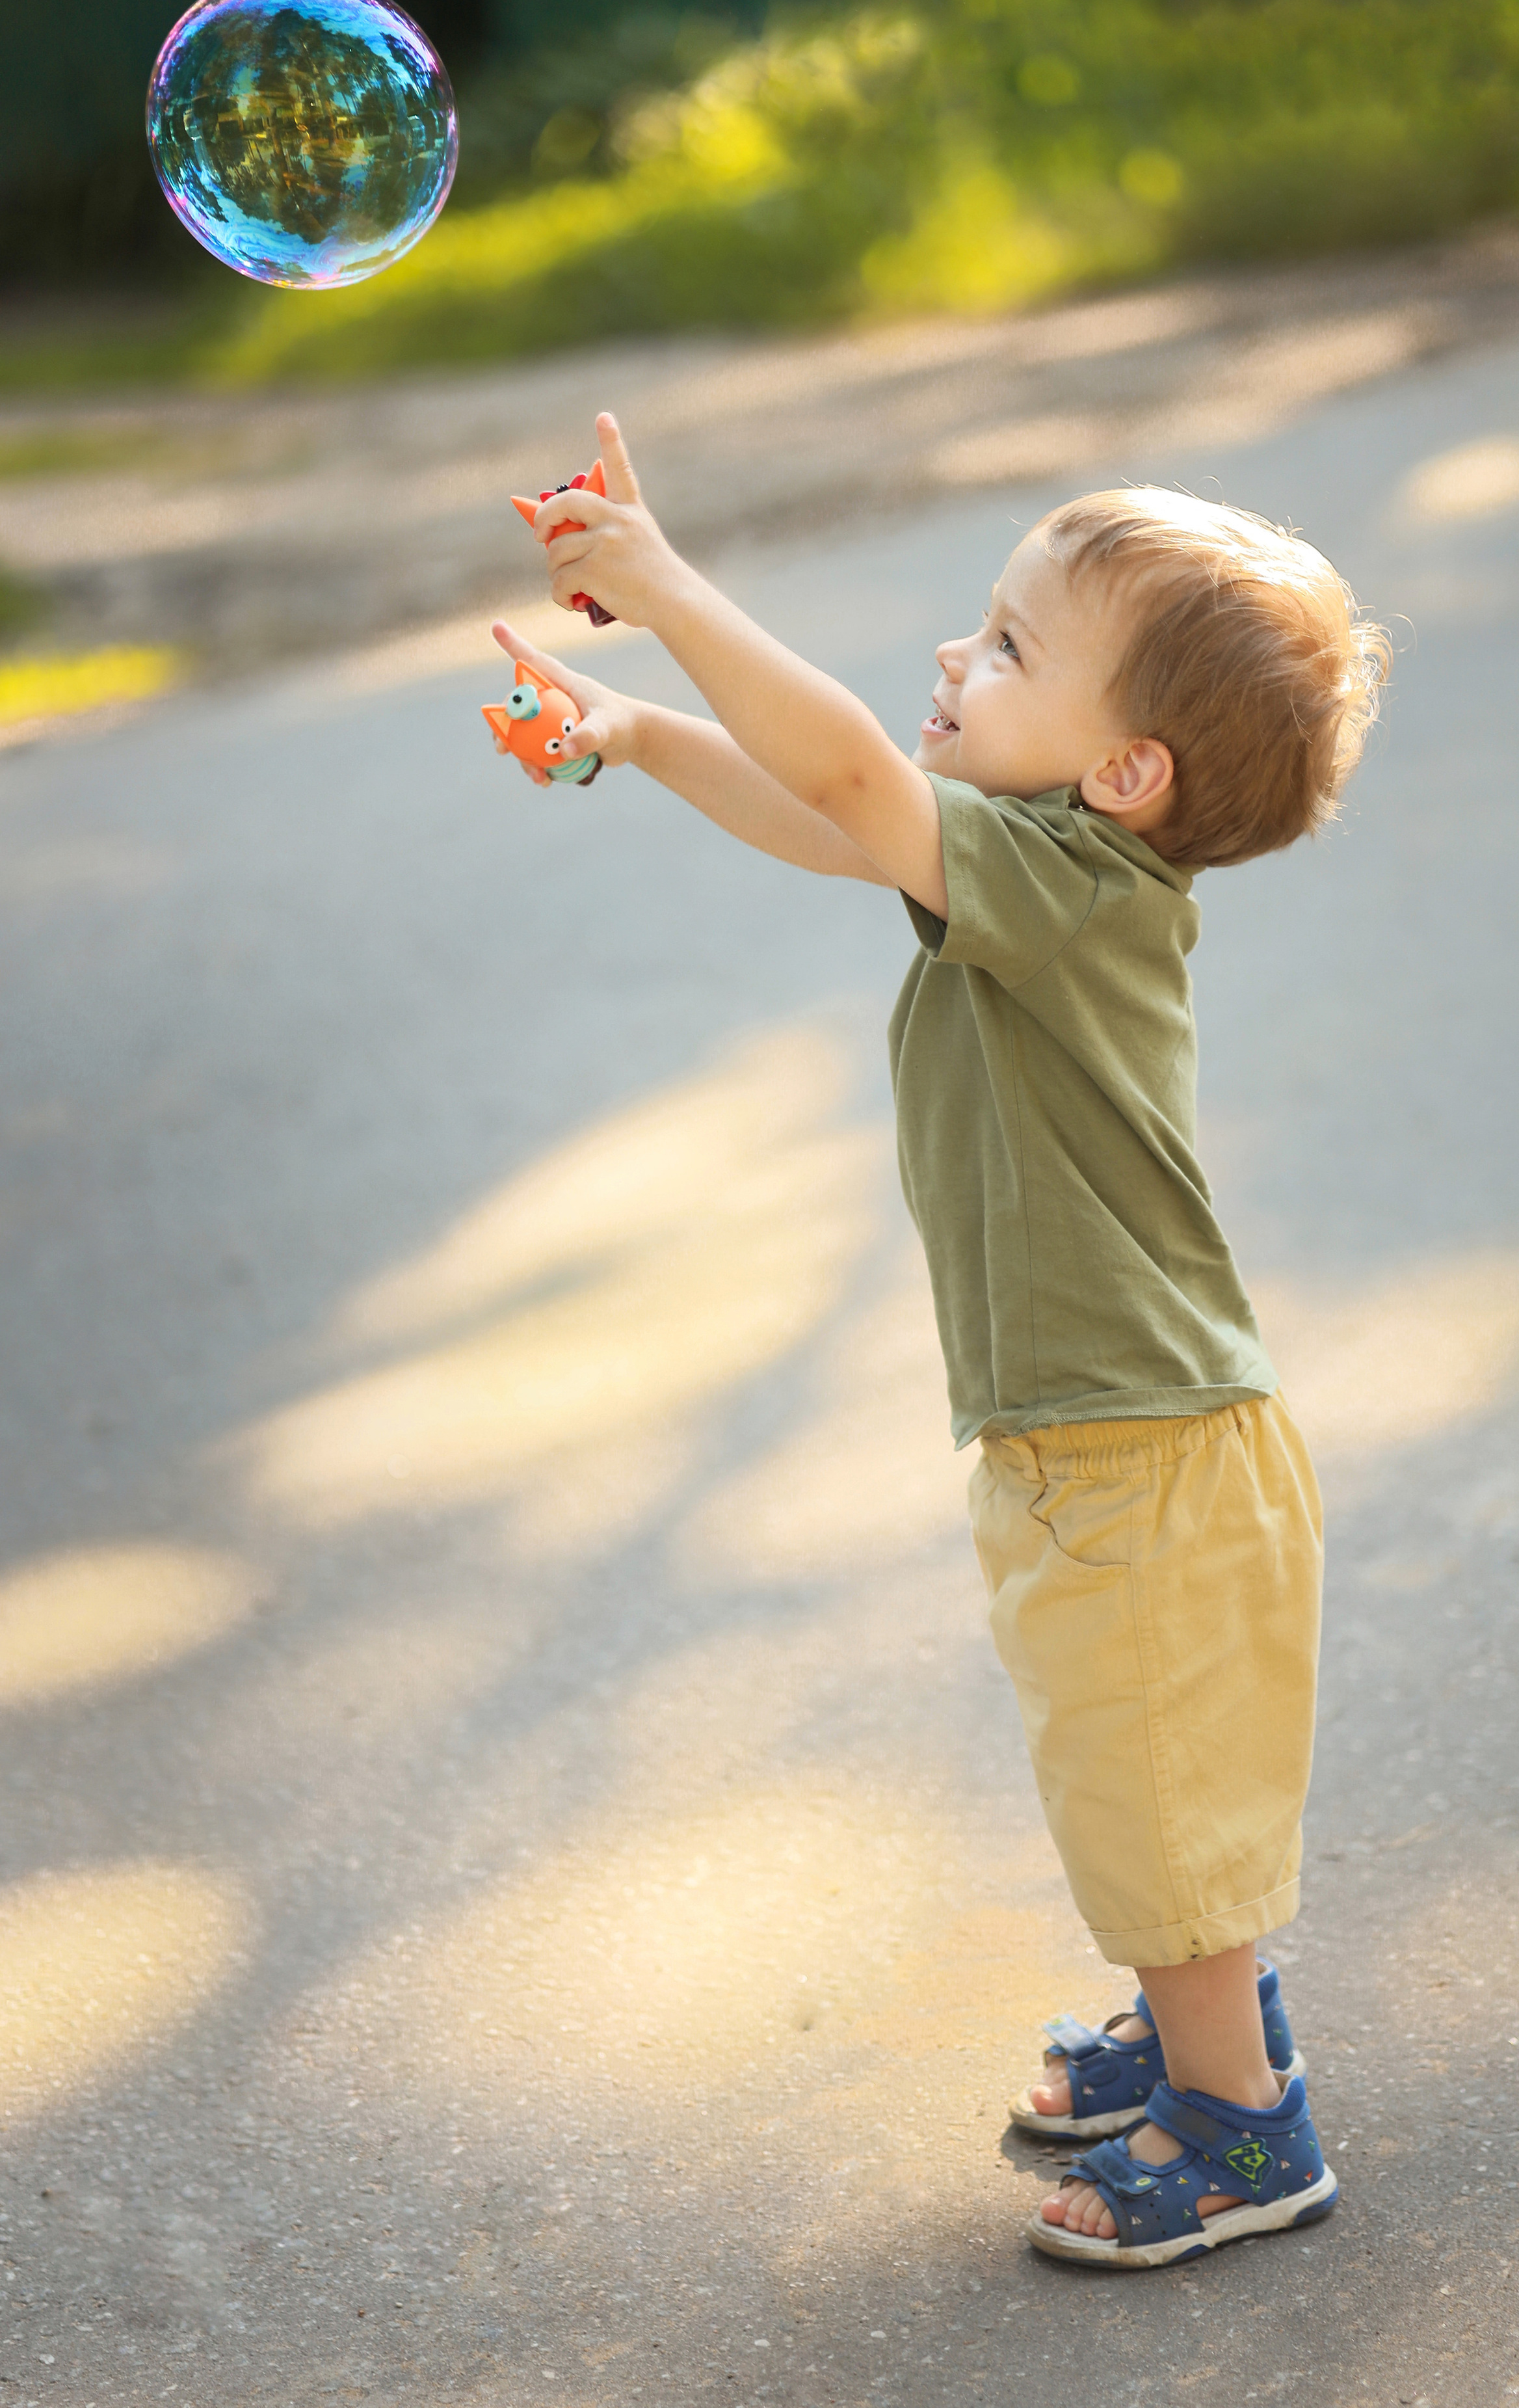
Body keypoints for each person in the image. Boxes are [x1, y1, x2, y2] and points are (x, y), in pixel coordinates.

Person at [491, 412, 1388, 2269]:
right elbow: (832, 815)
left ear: (1126, 772)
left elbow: (837, 764)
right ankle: (1199, 2031)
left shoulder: (1070, 891)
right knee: (1138, 1785)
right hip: (1105, 1432)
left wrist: (662, 591)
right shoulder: (1030, 865)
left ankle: (1246, 2129)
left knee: (1155, 1803)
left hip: (1139, 1446)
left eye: (1006, 646)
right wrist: (636, 733)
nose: (951, 657)